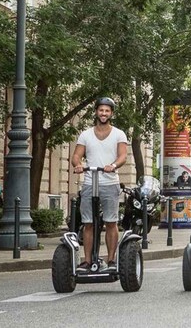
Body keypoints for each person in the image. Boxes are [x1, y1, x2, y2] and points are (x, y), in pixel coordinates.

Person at [71, 97, 128, 271]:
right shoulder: (86, 134)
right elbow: (76, 155)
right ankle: (87, 261)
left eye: (107, 111)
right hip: (89, 182)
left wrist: (113, 165)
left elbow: (122, 156)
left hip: (109, 183)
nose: (103, 113)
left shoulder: (119, 134)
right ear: (96, 111)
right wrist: (78, 165)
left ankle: (111, 260)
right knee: (88, 223)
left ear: (111, 113)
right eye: (101, 110)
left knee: (111, 221)